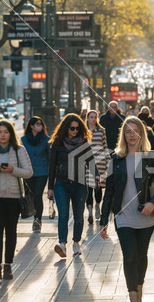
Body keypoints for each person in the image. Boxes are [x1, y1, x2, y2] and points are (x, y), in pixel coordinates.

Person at [99, 116, 154, 302]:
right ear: (123, 135)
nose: (132, 135)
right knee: (129, 256)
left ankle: (139, 290)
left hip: (146, 215)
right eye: (128, 132)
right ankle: (133, 298)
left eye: (136, 131)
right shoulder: (116, 158)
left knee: (141, 255)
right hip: (123, 216)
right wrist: (103, 220)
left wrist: (152, 203)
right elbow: (110, 191)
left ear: (142, 133)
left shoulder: (151, 156)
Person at [0, 120, 33, 280]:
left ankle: (8, 266)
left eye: (6, 132)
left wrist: (13, 170)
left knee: (11, 231)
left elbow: (29, 172)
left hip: (13, 198)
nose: (3, 135)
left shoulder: (19, 150)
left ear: (11, 133)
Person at [48, 114, 92, 258]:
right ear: (66, 128)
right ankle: (62, 244)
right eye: (72, 128)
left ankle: (76, 242)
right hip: (62, 183)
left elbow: (91, 162)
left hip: (79, 184)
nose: (74, 131)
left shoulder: (84, 143)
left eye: (77, 129)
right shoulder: (58, 143)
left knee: (79, 216)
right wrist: (50, 187)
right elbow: (52, 165)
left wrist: (96, 175)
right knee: (64, 214)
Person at [21, 116, 50, 232]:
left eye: (41, 124)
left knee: (38, 195)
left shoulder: (46, 139)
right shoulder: (24, 139)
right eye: (37, 124)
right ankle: (35, 217)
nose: (40, 126)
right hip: (28, 172)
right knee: (31, 196)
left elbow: (50, 156)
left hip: (42, 171)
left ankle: (37, 219)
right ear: (31, 126)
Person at [85, 110, 110, 224]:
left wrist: (108, 160)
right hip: (86, 163)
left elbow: (105, 146)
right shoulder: (83, 131)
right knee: (88, 189)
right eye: (91, 117)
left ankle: (97, 205)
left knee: (98, 186)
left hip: (100, 162)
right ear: (87, 118)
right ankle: (89, 210)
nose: (93, 119)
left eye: (95, 117)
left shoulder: (101, 131)